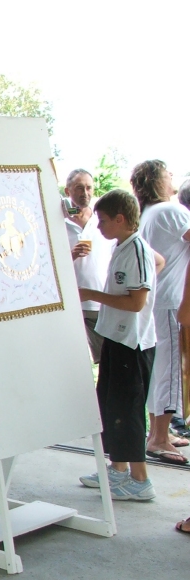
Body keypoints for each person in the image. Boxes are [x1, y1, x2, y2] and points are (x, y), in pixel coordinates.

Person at [78, 189, 161, 501]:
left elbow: (137, 303)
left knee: (128, 411)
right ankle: (118, 468)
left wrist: (90, 294)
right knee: (111, 405)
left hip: (133, 343)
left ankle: (141, 480)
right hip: (115, 337)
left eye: (102, 221)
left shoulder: (137, 250)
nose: (98, 226)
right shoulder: (124, 246)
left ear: (120, 219)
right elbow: (159, 263)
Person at [129, 160, 190, 465]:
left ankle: (158, 431)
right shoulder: (170, 211)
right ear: (156, 180)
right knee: (169, 370)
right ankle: (159, 438)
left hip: (157, 300)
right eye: (167, 174)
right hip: (170, 301)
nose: (172, 178)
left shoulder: (149, 214)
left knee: (159, 368)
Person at [62, 168, 114, 362]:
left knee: (105, 357)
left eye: (89, 187)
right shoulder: (57, 219)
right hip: (69, 302)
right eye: (79, 188)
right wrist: (71, 255)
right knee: (73, 359)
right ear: (68, 191)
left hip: (99, 299)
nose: (85, 193)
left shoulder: (102, 218)